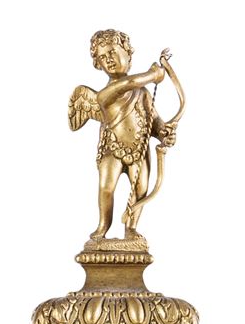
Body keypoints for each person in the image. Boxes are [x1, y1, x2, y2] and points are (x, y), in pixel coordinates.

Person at [69, 30, 177, 239]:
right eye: (102, 57)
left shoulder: (143, 94)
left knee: (141, 188)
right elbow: (127, 84)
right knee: (106, 187)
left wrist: (164, 133)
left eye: (112, 52)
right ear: (97, 64)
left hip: (139, 149)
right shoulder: (105, 95)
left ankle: (131, 228)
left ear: (128, 53)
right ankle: (103, 225)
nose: (108, 59)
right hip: (112, 148)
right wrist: (153, 75)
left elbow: (154, 121)